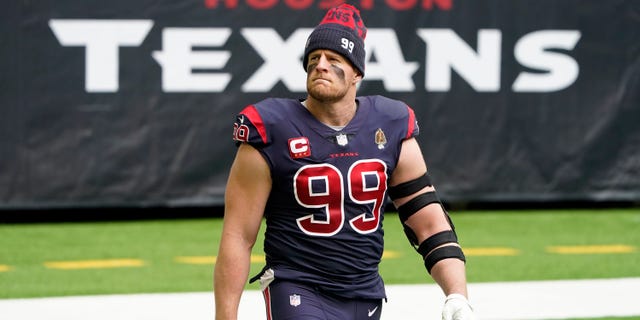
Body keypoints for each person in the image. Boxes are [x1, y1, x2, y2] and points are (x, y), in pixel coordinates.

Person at [214, 4, 475, 320]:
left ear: (357, 73)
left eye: (333, 59)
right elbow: (238, 236)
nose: (320, 65)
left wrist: (458, 294)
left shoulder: (390, 124)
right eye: (313, 59)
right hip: (296, 286)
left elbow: (427, 219)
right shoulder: (272, 128)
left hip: (363, 292)